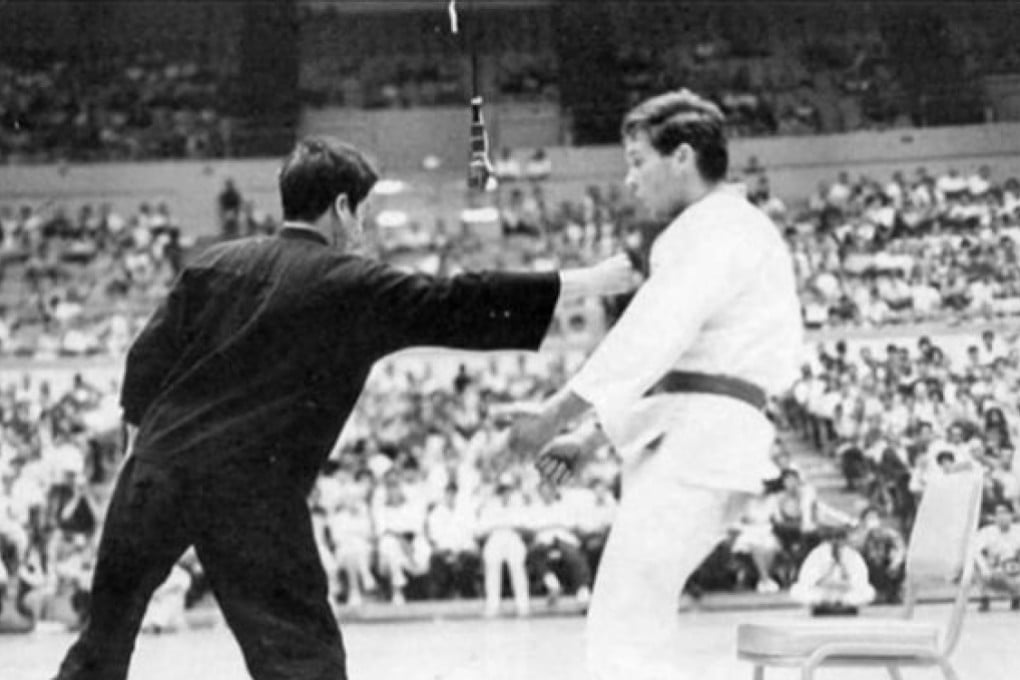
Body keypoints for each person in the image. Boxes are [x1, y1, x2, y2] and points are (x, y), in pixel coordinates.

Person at [51, 136, 636, 680]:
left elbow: (143, 365)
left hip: (155, 472)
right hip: (250, 493)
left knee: (101, 643)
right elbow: (458, 300)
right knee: (302, 660)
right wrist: (587, 280)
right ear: (340, 207)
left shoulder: (211, 264)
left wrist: (141, 466)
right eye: (366, 212)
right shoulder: (352, 283)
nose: (366, 228)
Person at [509, 90, 803, 680]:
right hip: (694, 428)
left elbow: (653, 337)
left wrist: (557, 412)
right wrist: (592, 437)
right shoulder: (716, 230)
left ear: (683, 158)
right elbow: (680, 364)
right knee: (629, 605)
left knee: (628, 606)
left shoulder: (718, 225)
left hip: (705, 437)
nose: (630, 178)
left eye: (638, 160)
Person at [790, 525, 875, 615]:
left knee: (869, 591)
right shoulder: (818, 553)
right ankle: (825, 606)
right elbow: (806, 578)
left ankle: (841, 606)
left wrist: (843, 569)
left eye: (840, 538)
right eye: (833, 538)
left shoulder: (852, 554)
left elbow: (860, 579)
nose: (836, 542)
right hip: (823, 593)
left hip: (845, 594)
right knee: (796, 590)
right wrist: (829, 570)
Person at [974, 501, 1020, 612]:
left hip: (1015, 573)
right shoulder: (987, 532)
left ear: (1012, 515)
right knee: (975, 562)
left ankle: (1016, 598)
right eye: (998, 513)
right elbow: (975, 551)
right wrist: (984, 568)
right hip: (993, 574)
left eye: (1005, 512)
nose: (1002, 517)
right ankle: (984, 598)